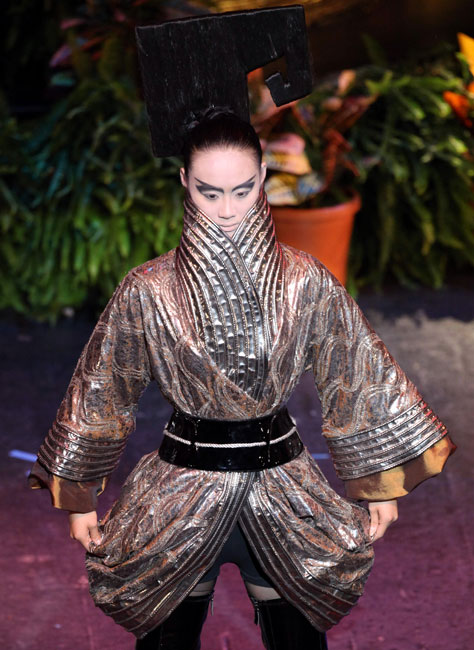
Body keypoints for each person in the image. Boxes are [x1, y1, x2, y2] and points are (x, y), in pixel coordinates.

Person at [29, 9, 457, 650]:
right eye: (209, 192)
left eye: (242, 189)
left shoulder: (305, 279)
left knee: (297, 638)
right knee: (167, 638)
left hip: (284, 490)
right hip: (178, 493)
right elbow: (103, 388)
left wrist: (379, 482)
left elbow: (355, 370)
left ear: (263, 180)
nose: (227, 210)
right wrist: (80, 494)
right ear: (184, 182)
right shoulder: (148, 288)